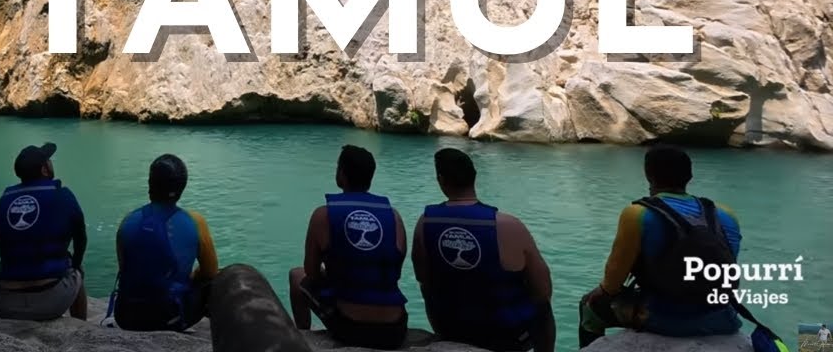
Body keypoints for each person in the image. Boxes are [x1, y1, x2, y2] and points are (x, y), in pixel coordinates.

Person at [579, 145, 743, 347]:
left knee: (589, 305)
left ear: (648, 175)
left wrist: (602, 292)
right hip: (722, 318)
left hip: (662, 319)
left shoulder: (637, 214)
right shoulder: (725, 214)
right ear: (689, 176)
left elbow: (612, 283)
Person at [413, 148, 555, 352]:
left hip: (453, 330)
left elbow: (423, 278)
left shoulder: (425, 223)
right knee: (542, 306)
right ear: (474, 177)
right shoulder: (508, 225)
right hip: (507, 337)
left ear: (441, 180)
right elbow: (543, 289)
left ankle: (443, 338)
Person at [289, 145, 408, 350]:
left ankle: (304, 336)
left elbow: (311, 272)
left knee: (296, 276)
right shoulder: (394, 216)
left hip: (351, 327)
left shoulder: (323, 215)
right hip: (395, 328)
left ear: (342, 174)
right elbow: (394, 269)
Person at [113, 153, 219, 332]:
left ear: (150, 185)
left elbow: (125, 268)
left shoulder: (128, 221)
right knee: (219, 279)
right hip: (170, 318)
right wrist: (190, 276)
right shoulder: (195, 221)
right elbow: (210, 272)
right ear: (182, 187)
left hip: (127, 317)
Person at [0, 142, 89, 321]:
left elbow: (1, 240)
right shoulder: (62, 194)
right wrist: (74, 263)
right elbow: (81, 238)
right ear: (45, 169)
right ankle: (81, 327)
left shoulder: (5, 197)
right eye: (49, 161)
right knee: (77, 269)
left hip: (6, 303)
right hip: (49, 300)